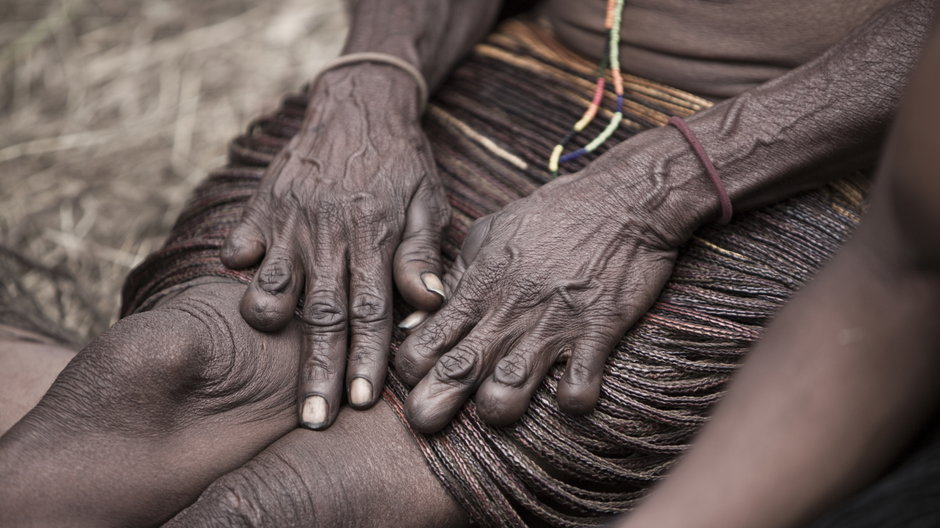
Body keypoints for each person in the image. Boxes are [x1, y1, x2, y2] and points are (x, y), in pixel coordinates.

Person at [1, 0, 937, 526]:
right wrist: (372, 83)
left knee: (295, 506)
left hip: (801, 152)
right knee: (157, 369)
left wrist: (659, 192)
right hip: (500, 69)